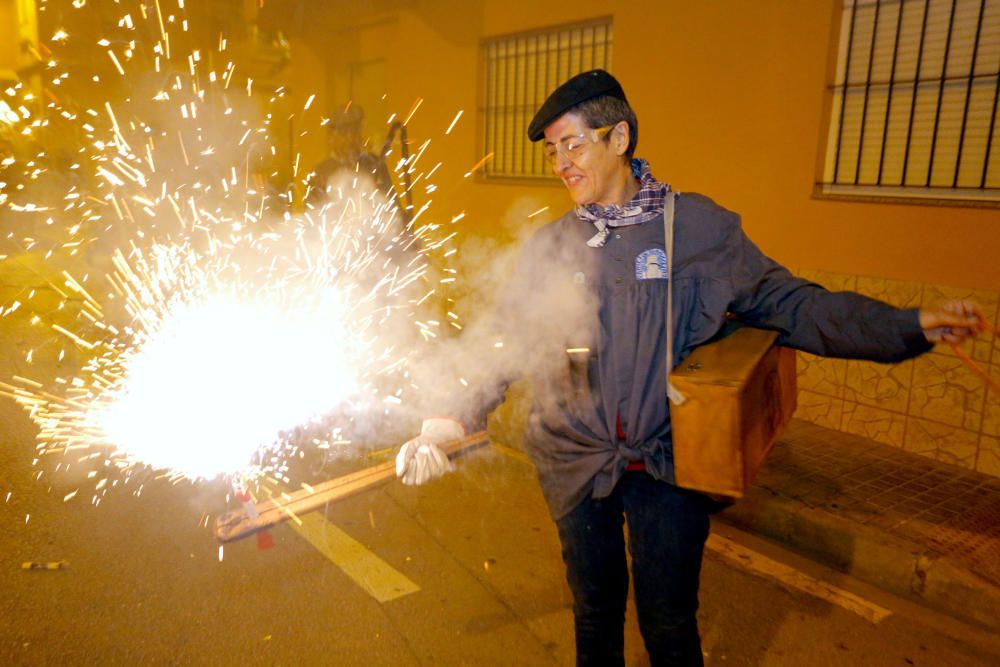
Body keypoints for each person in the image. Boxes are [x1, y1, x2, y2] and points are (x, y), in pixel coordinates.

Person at [394, 70, 985, 666]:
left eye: (574, 145)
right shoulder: (552, 247)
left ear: (618, 138)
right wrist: (447, 420)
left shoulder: (699, 229)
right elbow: (502, 339)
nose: (561, 164)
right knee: (594, 613)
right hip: (574, 459)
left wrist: (907, 325)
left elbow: (795, 305)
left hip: (667, 463)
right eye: (553, 151)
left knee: (669, 621)